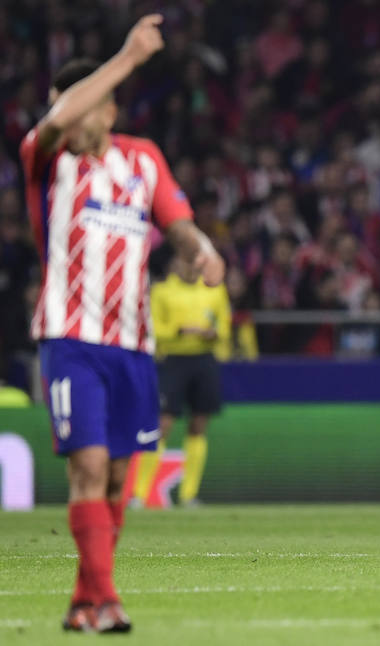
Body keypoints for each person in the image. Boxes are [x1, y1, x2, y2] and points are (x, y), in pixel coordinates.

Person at [18, 15, 225, 632]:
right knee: (85, 467)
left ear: (107, 111)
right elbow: (53, 123)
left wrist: (201, 250)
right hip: (71, 337)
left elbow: (177, 221)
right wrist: (129, 57)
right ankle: (108, 601)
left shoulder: (144, 159)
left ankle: (84, 602)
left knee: (114, 479)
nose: (69, 118)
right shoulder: (46, 161)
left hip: (133, 345)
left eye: (81, 106)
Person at [131, 253, 231, 508]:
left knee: (199, 424)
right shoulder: (162, 291)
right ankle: (139, 494)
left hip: (204, 360)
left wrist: (214, 333)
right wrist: (179, 330)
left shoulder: (214, 291)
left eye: (195, 263)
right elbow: (152, 328)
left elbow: (225, 327)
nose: (190, 267)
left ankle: (189, 495)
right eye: (186, 262)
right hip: (173, 360)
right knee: (162, 424)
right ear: (175, 263)